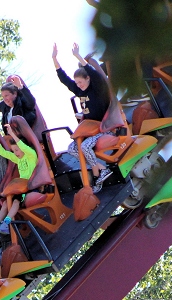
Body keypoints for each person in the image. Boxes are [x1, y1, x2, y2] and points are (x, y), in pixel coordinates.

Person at [53, 42, 113, 192]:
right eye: (77, 83)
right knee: (72, 148)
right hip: (90, 130)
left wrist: (77, 55)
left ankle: (98, 172)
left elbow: (93, 73)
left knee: (85, 146)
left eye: (80, 82)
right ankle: (99, 167)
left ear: (87, 79)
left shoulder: (97, 89)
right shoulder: (80, 91)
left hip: (104, 127)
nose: (78, 85)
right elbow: (64, 79)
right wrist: (54, 59)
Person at [0, 122, 38, 237]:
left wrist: (11, 133)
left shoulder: (31, 155)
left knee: (15, 201)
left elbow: (22, 146)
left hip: (30, 187)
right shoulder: (18, 159)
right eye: (14, 151)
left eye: (17, 150)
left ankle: (6, 224)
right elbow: (2, 152)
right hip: (20, 188)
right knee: (6, 202)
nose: (15, 153)